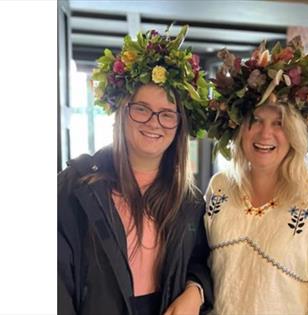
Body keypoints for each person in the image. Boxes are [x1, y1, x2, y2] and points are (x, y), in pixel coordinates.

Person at [58, 25, 214, 315]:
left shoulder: (188, 201)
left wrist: (196, 290)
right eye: (141, 108)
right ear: (121, 112)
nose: (154, 122)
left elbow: (201, 260)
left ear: (179, 126)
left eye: (167, 114)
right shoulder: (75, 186)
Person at [204, 37, 308, 314]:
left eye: (279, 123)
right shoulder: (219, 186)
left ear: (296, 132)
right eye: (256, 120)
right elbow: (202, 265)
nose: (265, 134)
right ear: (239, 128)